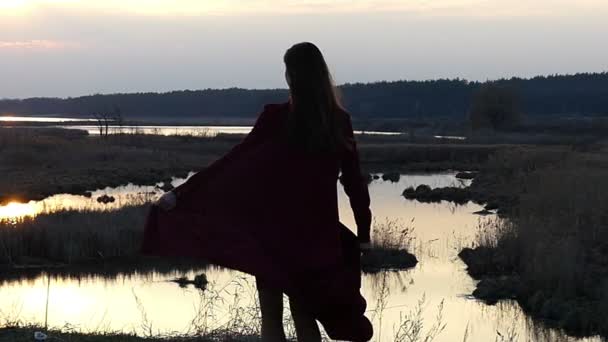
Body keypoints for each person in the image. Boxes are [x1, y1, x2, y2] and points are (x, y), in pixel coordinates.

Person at [142, 42, 373, 342]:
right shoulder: (338, 121)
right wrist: (364, 233)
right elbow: (354, 184)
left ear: (291, 76)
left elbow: (234, 161)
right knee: (304, 317)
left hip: (274, 235)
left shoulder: (276, 117)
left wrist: (182, 194)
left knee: (272, 318)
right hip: (317, 239)